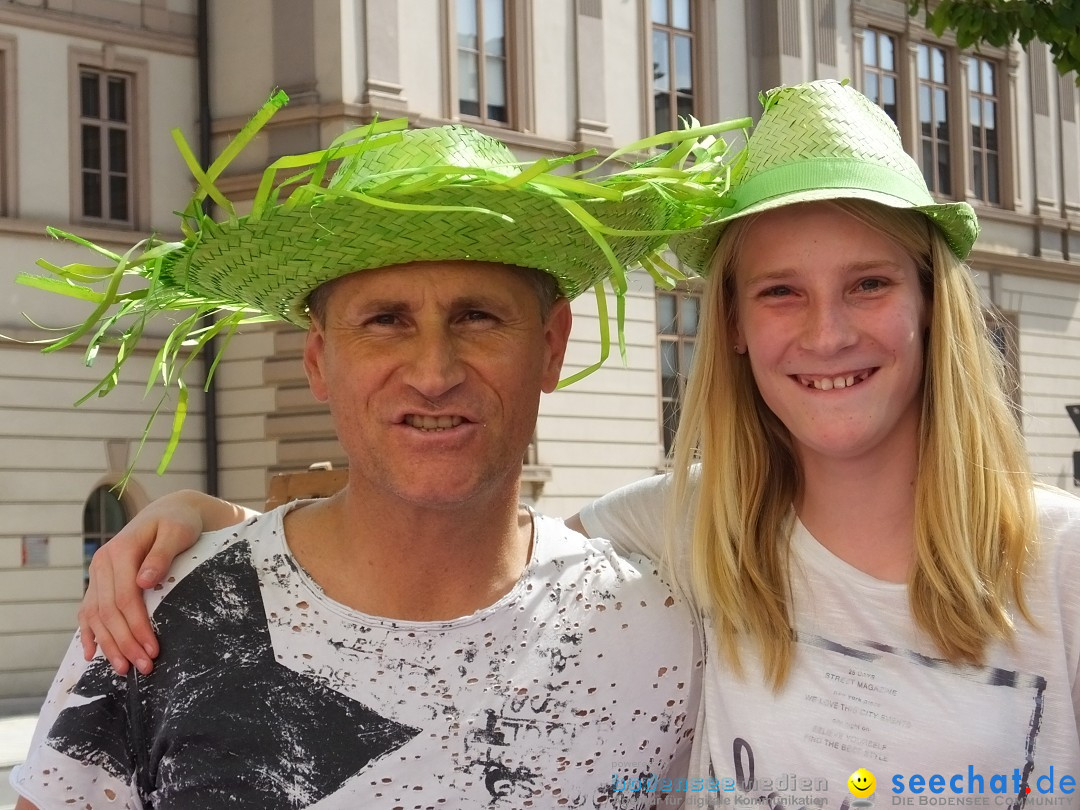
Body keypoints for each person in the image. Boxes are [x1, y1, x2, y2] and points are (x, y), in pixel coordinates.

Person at [79, 79, 1080, 807]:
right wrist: (212, 530)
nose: (826, 334)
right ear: (733, 323)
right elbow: (442, 537)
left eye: (868, 283)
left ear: (931, 308)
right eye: (781, 290)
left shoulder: (1063, 561)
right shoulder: (687, 531)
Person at [10, 91, 755, 809]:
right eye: (386, 321)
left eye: (478, 317)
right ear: (317, 360)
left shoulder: (654, 628)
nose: (434, 373)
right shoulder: (158, 615)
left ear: (552, 347)